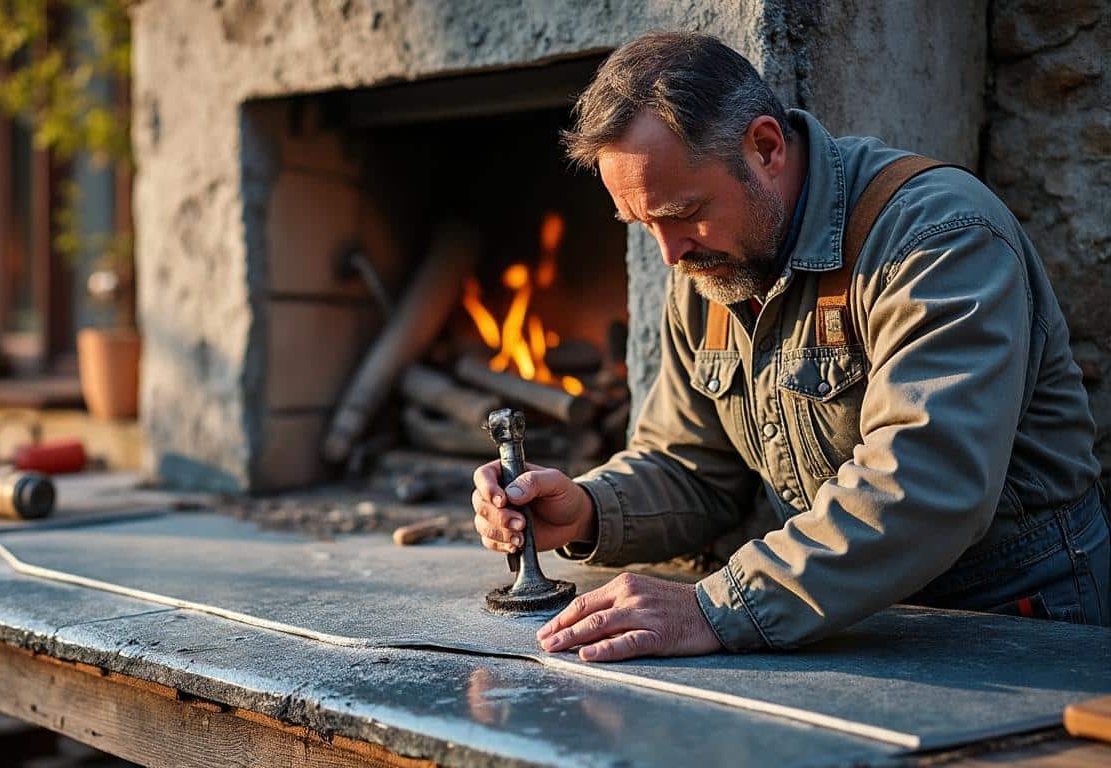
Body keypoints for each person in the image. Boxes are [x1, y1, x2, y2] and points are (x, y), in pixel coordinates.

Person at [471, 31, 1109, 661]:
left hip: (1012, 617)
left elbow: (928, 487)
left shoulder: (937, 237)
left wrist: (716, 606)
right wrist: (585, 509)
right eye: (644, 225)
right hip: (843, 621)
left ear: (766, 147)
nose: (669, 253)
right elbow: (692, 466)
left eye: (684, 211)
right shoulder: (708, 269)